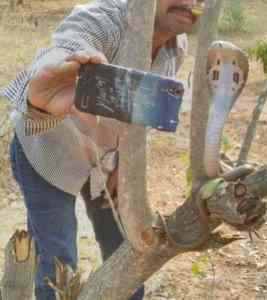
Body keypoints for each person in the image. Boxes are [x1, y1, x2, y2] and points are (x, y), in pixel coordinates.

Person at [1, 0, 201, 299]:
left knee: (129, 255)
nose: (191, 1)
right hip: (48, 153)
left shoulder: (178, 45)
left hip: (104, 164)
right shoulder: (104, 20)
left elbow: (142, 114)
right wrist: (38, 96)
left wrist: (124, 162)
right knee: (57, 265)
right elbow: (67, 47)